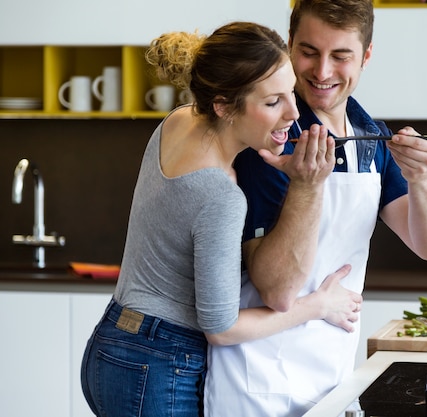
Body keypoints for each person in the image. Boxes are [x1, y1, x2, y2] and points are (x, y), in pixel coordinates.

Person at [80, 22, 363, 417]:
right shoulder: (221, 195)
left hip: (111, 344)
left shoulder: (177, 121)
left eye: (289, 93)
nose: (293, 113)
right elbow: (223, 328)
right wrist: (318, 304)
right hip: (158, 365)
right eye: (272, 102)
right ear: (224, 106)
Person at [204, 1, 427, 416]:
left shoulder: (369, 134)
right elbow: (277, 289)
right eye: (308, 52)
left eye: (340, 56)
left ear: (366, 56)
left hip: (332, 380)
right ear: (288, 45)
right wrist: (307, 185)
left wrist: (424, 176)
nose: (322, 72)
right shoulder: (270, 134)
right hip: (256, 384)